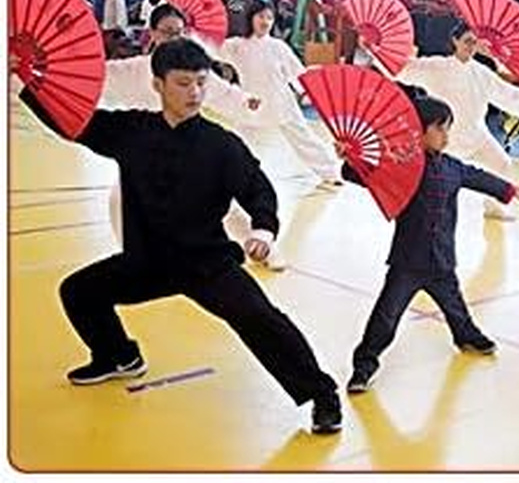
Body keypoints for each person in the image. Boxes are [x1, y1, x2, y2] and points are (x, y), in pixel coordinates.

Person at [17, 38, 343, 433]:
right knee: (79, 291)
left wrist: (263, 229)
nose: (195, 93)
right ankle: (119, 355)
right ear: (158, 84)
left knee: (263, 319)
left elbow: (259, 190)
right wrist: (26, 83)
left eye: (201, 83)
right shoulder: (132, 131)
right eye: (183, 83)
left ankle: (323, 396)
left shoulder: (222, 146)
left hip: (206, 264)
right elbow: (74, 123)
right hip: (147, 262)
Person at [344, 95, 519, 393]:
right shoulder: (400, 166)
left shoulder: (452, 167)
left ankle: (465, 336)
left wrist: (510, 189)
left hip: (442, 261)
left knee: (455, 307)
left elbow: (479, 178)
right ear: (419, 131)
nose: (446, 136)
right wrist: (350, 157)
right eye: (440, 128)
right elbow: (361, 174)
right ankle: (364, 365)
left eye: (448, 129)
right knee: (386, 316)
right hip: (407, 262)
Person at [100, 3, 272, 263]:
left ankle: (261, 244)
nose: (175, 38)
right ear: (153, 33)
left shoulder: (192, 69)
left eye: (180, 32)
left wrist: (245, 100)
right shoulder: (134, 69)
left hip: (191, 146)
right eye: (168, 32)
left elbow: (223, 92)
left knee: (220, 200)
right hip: (149, 153)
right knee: (122, 199)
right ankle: (138, 257)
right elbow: (97, 76)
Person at [392, 20, 519, 221]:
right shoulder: (437, 66)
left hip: (476, 133)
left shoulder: (480, 71)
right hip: (446, 137)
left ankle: (494, 208)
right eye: (467, 41)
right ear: (455, 41)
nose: (471, 46)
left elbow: (505, 93)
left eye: (474, 42)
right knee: (437, 183)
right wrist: (377, 52)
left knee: (501, 163)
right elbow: (403, 69)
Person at [219, 0, 343, 190]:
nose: (265, 21)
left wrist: (309, 91)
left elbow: (298, 73)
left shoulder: (279, 47)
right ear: (251, 18)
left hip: (281, 102)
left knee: (304, 138)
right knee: (239, 143)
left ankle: (331, 172)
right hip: (252, 105)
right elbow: (211, 48)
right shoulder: (236, 45)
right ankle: (232, 178)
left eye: (269, 17)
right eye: (261, 16)